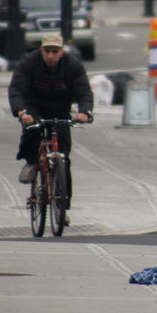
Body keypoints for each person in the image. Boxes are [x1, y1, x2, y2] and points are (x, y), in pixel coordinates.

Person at [8, 33, 94, 225]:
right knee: (31, 131)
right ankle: (31, 163)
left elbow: (84, 91)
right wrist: (21, 112)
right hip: (35, 108)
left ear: (61, 52)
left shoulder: (73, 65)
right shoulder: (29, 63)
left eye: (55, 52)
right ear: (41, 50)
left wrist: (85, 112)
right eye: (47, 51)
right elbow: (17, 88)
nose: (50, 56)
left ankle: (62, 206)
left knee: (63, 158)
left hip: (60, 111)